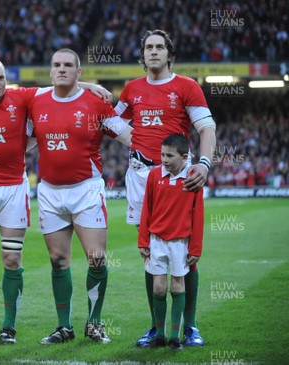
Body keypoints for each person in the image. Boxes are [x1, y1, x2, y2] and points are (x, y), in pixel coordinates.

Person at [0, 58, 112, 344]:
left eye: (1, 78)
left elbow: (59, 86)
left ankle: (9, 328)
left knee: (11, 258)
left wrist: (88, 84)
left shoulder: (21, 96)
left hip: (14, 189)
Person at [114, 29, 216, 347]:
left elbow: (206, 127)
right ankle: (157, 328)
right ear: (142, 55)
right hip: (143, 176)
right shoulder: (131, 89)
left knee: (186, 254)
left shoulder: (186, 86)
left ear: (169, 54)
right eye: (148, 47)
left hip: (180, 177)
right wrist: (134, 144)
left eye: (160, 47)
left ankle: (190, 326)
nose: (154, 52)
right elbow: (110, 120)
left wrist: (204, 163)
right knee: (151, 250)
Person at [28, 49, 132, 344]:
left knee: (97, 259)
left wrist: (166, 150)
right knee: (58, 260)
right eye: (56, 65)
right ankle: (64, 326)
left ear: (79, 72)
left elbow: (128, 135)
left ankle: (94, 323)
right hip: (49, 192)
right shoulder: (35, 100)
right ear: (50, 71)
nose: (61, 69)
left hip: (86, 190)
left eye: (68, 65)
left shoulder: (95, 105)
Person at [138, 134, 204, 351]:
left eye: (169, 156)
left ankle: (175, 337)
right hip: (156, 241)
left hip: (180, 243)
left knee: (177, 286)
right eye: (162, 154)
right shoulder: (154, 175)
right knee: (158, 287)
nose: (164, 159)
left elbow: (198, 215)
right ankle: (159, 334)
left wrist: (195, 247)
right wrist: (143, 240)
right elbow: (147, 208)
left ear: (184, 157)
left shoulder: (193, 177)